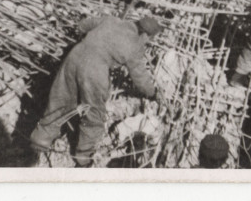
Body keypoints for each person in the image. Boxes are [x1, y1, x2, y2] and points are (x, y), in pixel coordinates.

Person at [30, 15, 162, 167]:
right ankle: (83, 157)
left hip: (73, 57)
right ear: (145, 34)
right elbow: (139, 76)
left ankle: (39, 141)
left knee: (60, 100)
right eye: (149, 39)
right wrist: (152, 93)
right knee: (94, 114)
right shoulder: (134, 46)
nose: (147, 42)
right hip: (94, 70)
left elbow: (82, 25)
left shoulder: (111, 20)